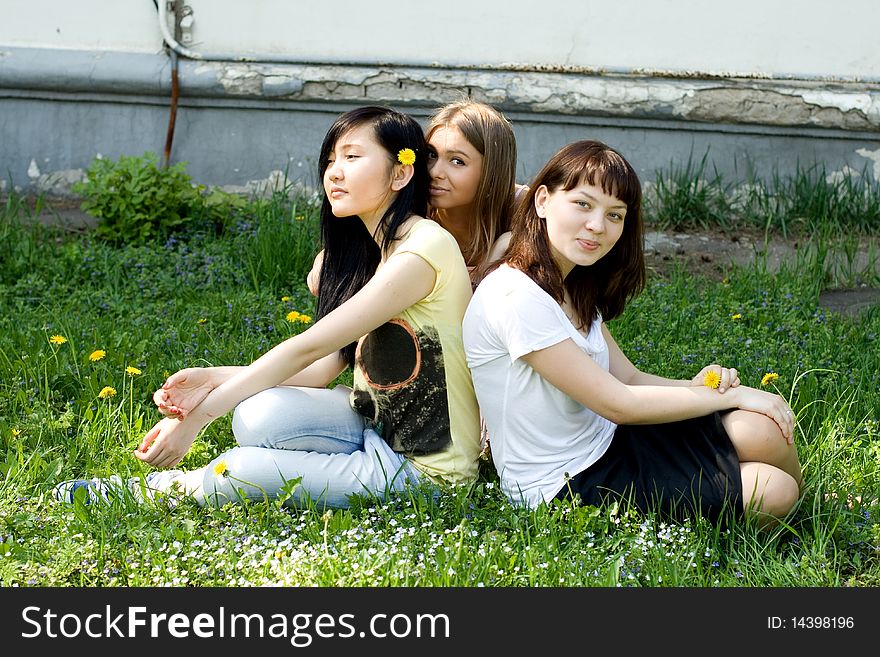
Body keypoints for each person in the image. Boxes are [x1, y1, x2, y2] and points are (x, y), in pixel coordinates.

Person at [55, 105, 482, 509]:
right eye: (331, 159)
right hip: (373, 423)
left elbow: (306, 348)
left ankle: (160, 489)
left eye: (353, 156)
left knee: (238, 472)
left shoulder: (421, 252)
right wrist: (213, 380)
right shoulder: (377, 252)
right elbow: (323, 369)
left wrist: (197, 418)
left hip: (423, 470)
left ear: (401, 173)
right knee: (258, 414)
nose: (334, 172)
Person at [462, 140, 803, 528]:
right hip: (564, 484)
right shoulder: (516, 296)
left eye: (615, 215)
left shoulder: (569, 283)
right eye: (583, 204)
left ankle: (813, 511)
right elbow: (618, 402)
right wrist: (731, 395)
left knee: (762, 429)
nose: (597, 226)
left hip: (612, 440)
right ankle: (800, 514)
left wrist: (700, 389)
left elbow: (629, 377)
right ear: (542, 201)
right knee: (773, 490)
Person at [307, 99, 521, 294]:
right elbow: (326, 272)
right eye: (431, 155)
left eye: (457, 161)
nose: (435, 171)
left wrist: (498, 252)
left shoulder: (525, 210)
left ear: (492, 172)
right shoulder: (413, 209)